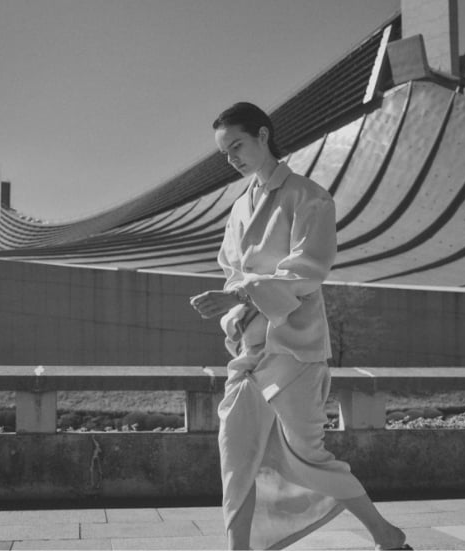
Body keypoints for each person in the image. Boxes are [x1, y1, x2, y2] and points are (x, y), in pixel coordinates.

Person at [190, 102, 410, 551]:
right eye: (225, 152)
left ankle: (387, 536)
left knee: (307, 457)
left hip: (296, 350)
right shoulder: (237, 209)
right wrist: (233, 308)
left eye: (237, 145)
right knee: (236, 455)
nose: (232, 158)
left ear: (264, 135)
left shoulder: (309, 196)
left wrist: (237, 295)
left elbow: (307, 270)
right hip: (249, 352)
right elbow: (232, 272)